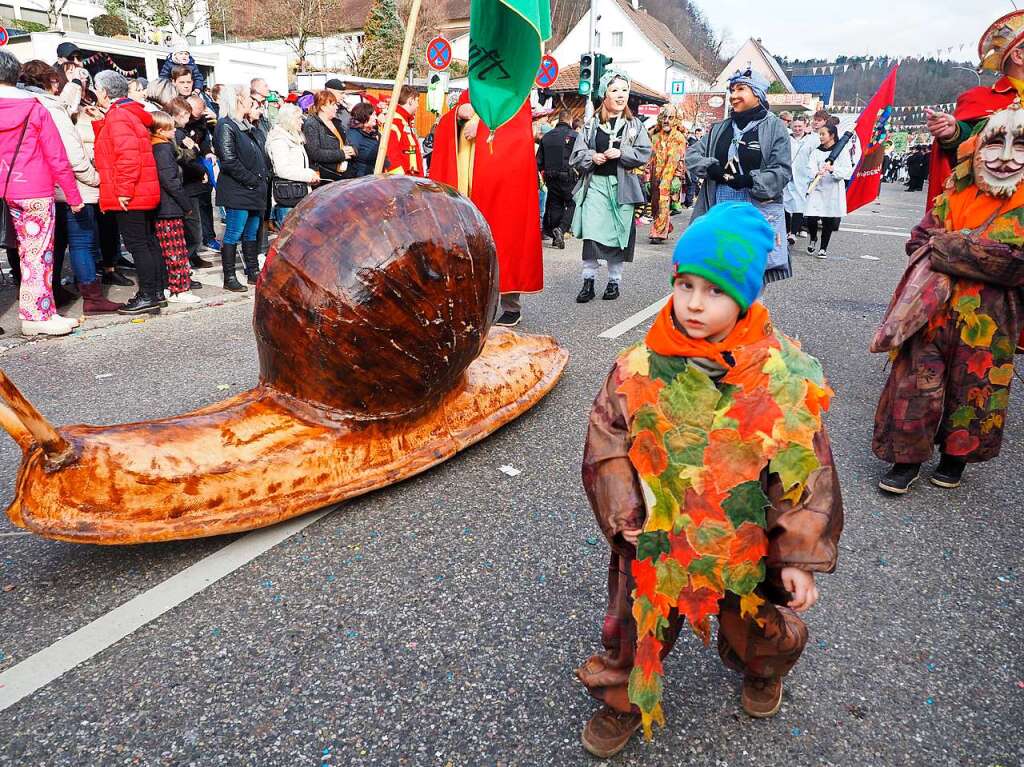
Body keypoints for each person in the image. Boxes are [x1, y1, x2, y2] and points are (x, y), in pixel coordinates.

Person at [576, 201, 843, 758]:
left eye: (715, 291)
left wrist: (797, 554)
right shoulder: (639, 364)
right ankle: (621, 699)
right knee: (634, 627)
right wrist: (625, 511)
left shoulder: (781, 374)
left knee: (755, 626)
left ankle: (763, 668)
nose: (695, 303)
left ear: (746, 296)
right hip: (659, 534)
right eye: (686, 284)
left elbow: (806, 471)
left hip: (741, 538)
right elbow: (607, 440)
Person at [872, 103, 1024, 493]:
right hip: (930, 311)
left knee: (975, 386)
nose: (1005, 159)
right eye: (994, 145)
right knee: (915, 385)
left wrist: (952, 248)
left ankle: (955, 458)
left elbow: (1015, 264)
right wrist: (960, 249)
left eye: (1019, 146)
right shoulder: (955, 191)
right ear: (978, 149)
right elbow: (919, 239)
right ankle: (905, 461)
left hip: (990, 320)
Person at [429, 90, 543, 327]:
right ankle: (470, 305)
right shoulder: (471, 90)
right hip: (468, 184)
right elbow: (446, 128)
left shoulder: (515, 92)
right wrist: (459, 115)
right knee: (468, 245)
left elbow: (516, 134)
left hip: (502, 184)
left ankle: (511, 305)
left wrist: (481, 128)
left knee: (504, 239)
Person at [19, 59, 120, 314]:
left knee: (56, 244)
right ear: (51, 81)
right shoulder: (52, 109)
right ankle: (93, 297)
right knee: (81, 243)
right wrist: (96, 178)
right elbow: (71, 155)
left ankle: (53, 291)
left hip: (42, 186)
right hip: (71, 187)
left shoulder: (25, 105)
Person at [0, 50, 84, 336]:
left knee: (25, 253)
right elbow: (57, 156)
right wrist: (73, 196)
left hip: (4, 188)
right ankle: (38, 314)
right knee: (36, 254)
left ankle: (41, 311)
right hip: (34, 188)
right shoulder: (36, 108)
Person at [685, 69, 792, 284]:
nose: (733, 95)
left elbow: (782, 170)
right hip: (718, 210)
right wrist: (710, 167)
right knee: (716, 278)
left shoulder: (775, 127)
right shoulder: (720, 128)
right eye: (732, 90)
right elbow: (692, 154)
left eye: (741, 89)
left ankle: (750, 317)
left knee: (750, 281)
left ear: (758, 94)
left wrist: (751, 180)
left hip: (754, 212)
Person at [569, 69, 652, 302]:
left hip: (622, 188)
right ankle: (588, 281)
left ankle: (614, 282)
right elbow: (577, 153)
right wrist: (592, 157)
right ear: (604, 95)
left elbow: (644, 152)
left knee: (618, 235)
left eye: (624, 90)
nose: (620, 95)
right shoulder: (591, 124)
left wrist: (622, 152)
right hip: (595, 185)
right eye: (615, 90)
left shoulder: (634, 125)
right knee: (593, 235)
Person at [924, 15, 1021, 210]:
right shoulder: (981, 98)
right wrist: (952, 132)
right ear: (1019, 56)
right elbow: (969, 142)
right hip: (998, 212)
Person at [93, 69, 164, 315]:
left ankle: (147, 295)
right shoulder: (126, 114)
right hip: (142, 190)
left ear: (103, 91)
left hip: (131, 193)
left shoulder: (119, 117)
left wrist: (123, 190)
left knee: (138, 245)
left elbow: (127, 157)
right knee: (146, 242)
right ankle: (155, 292)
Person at [214, 83, 269, 289]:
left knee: (252, 232)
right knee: (234, 233)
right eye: (248, 97)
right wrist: (251, 179)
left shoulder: (245, 126)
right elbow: (228, 160)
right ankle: (229, 277)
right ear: (237, 98)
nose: (251, 102)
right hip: (238, 190)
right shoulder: (226, 125)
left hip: (254, 191)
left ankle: (252, 271)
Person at [150, 110, 199, 303]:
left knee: (170, 249)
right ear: (162, 130)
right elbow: (170, 181)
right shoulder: (162, 148)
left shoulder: (158, 147)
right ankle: (179, 289)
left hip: (165, 206)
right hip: (168, 207)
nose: (174, 131)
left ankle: (172, 286)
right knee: (175, 249)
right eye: (171, 127)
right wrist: (186, 205)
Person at [176, 93, 215, 269]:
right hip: (188, 181)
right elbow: (185, 158)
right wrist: (201, 171)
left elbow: (203, 141)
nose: (199, 114)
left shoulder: (200, 122)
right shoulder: (179, 132)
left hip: (198, 178)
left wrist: (207, 152)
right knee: (192, 224)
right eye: (197, 111)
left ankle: (194, 253)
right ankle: (189, 256)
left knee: (199, 218)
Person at [803, 123, 853, 259]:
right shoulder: (816, 151)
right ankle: (813, 238)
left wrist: (832, 170)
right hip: (817, 188)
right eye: (819, 134)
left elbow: (847, 170)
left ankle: (823, 248)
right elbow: (809, 167)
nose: (820, 137)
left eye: (823, 134)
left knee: (828, 219)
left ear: (832, 135)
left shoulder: (841, 152)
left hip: (832, 189)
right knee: (811, 217)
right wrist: (815, 172)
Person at [266, 103, 319, 227]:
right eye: (298, 118)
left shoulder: (294, 137)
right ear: (289, 120)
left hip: (298, 193)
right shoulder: (279, 139)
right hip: (287, 197)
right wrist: (307, 175)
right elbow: (282, 169)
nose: (302, 121)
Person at [537, 109, 577, 249]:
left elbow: (538, 161)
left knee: (555, 206)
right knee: (573, 203)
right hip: (568, 176)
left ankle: (556, 238)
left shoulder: (546, 137)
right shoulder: (575, 136)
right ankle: (561, 229)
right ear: (570, 120)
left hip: (550, 176)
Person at [647, 104, 687, 244]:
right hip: (655, 176)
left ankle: (658, 233)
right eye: (664, 117)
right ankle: (665, 226)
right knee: (655, 205)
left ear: (676, 120)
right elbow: (649, 158)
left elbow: (680, 159)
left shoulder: (679, 137)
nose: (666, 121)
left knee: (663, 203)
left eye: (670, 118)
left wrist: (677, 176)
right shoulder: (655, 137)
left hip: (669, 177)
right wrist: (647, 178)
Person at [302, 90, 354, 182]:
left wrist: (353, 150)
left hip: (343, 173)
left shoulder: (336, 122)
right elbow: (314, 153)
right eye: (333, 105)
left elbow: (346, 142)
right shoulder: (312, 124)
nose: (336, 108)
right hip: (326, 176)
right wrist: (341, 154)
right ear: (323, 107)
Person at [783, 115, 815, 244]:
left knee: (799, 204)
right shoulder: (786, 138)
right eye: (795, 126)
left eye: (800, 126)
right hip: (786, 174)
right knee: (784, 202)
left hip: (803, 176)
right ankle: (785, 230)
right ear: (791, 126)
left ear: (805, 126)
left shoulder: (811, 140)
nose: (797, 129)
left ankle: (793, 233)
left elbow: (814, 157)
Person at [384, 85, 424, 176]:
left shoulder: (405, 121)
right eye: (417, 101)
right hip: (403, 182)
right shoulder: (395, 121)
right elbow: (391, 154)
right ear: (410, 100)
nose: (418, 105)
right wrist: (399, 180)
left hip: (411, 179)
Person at [344, 101, 384, 178]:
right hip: (361, 178)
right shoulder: (354, 133)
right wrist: (352, 149)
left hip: (377, 176)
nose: (376, 117)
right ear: (364, 116)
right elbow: (352, 148)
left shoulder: (375, 133)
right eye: (373, 115)